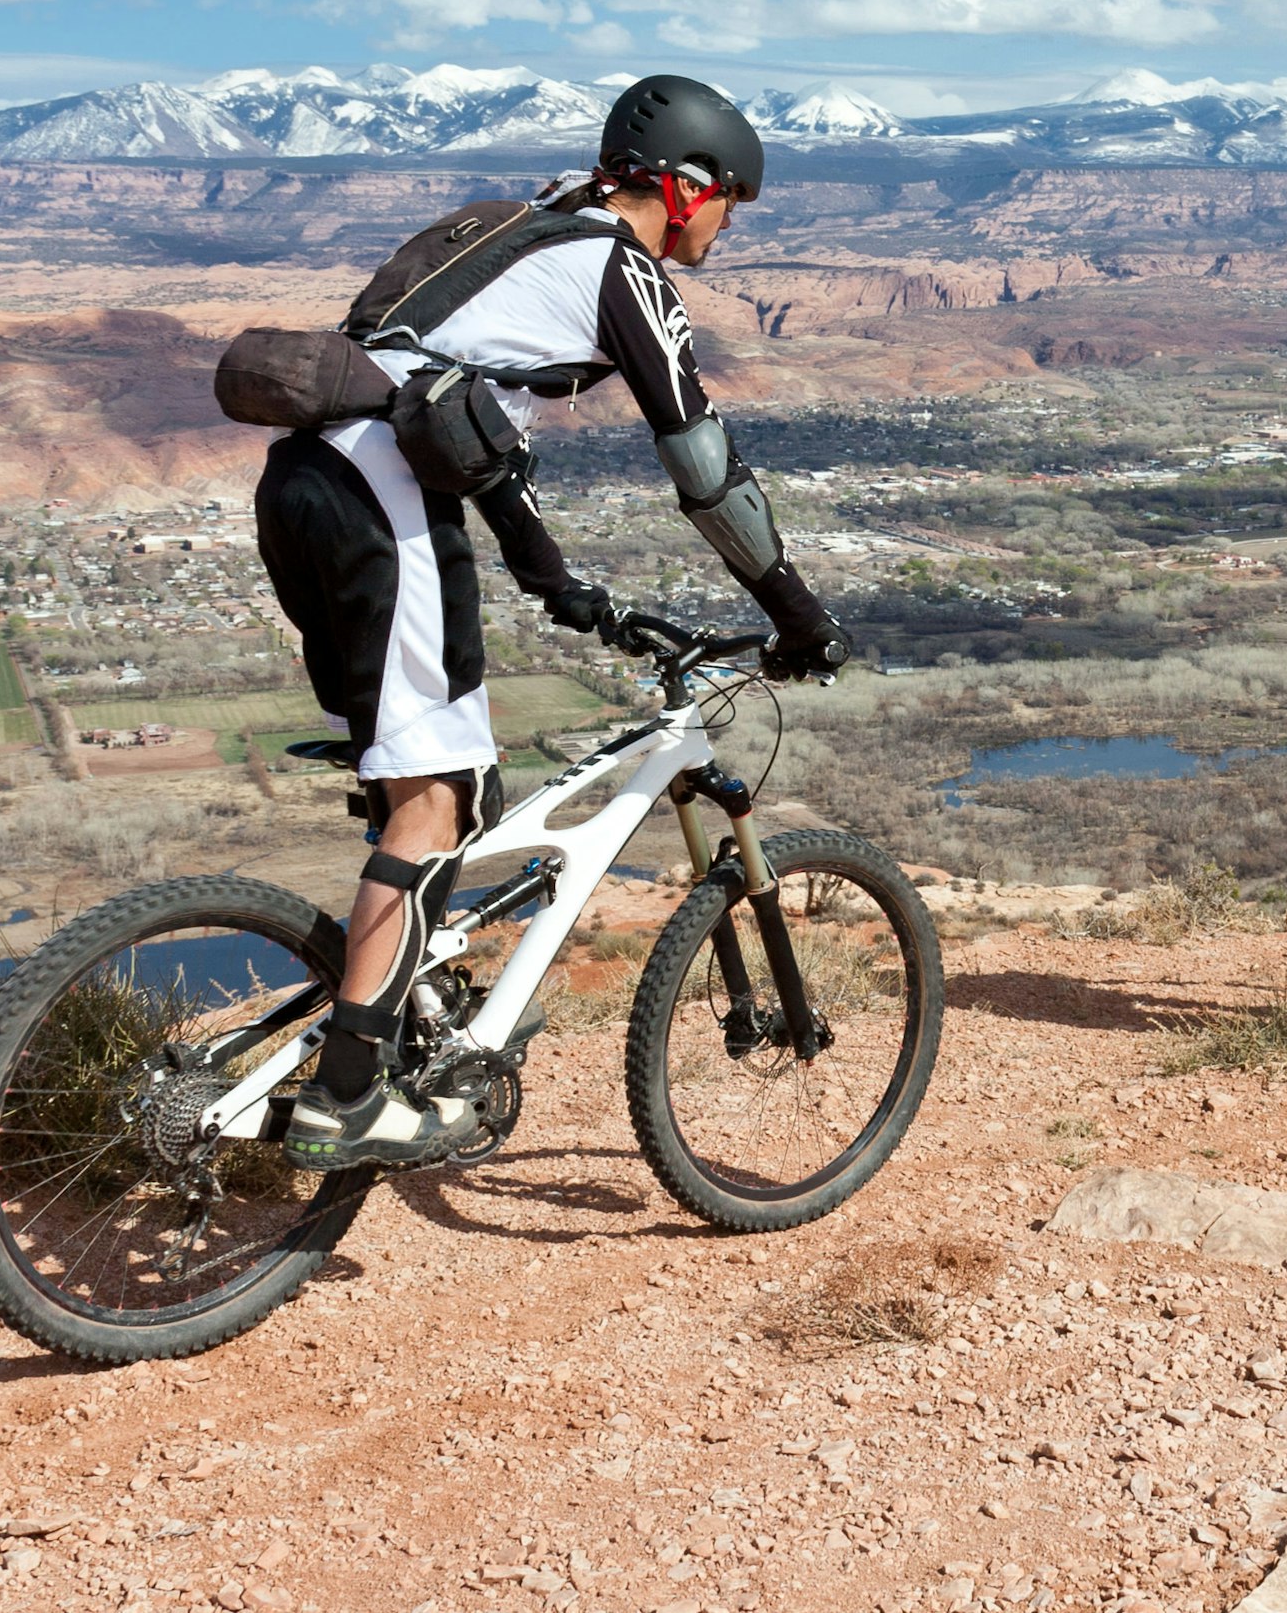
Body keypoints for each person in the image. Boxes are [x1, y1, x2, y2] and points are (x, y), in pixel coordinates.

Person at [252, 73, 850, 1168]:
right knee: (432, 800)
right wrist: (798, 613)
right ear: (683, 188)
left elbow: (458, 417)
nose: (727, 226)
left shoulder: (522, 230)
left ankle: (400, 1027)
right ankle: (348, 1099)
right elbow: (706, 472)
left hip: (301, 479)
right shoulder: (621, 267)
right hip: (379, 499)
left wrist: (561, 586)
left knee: (438, 788)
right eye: (730, 203)